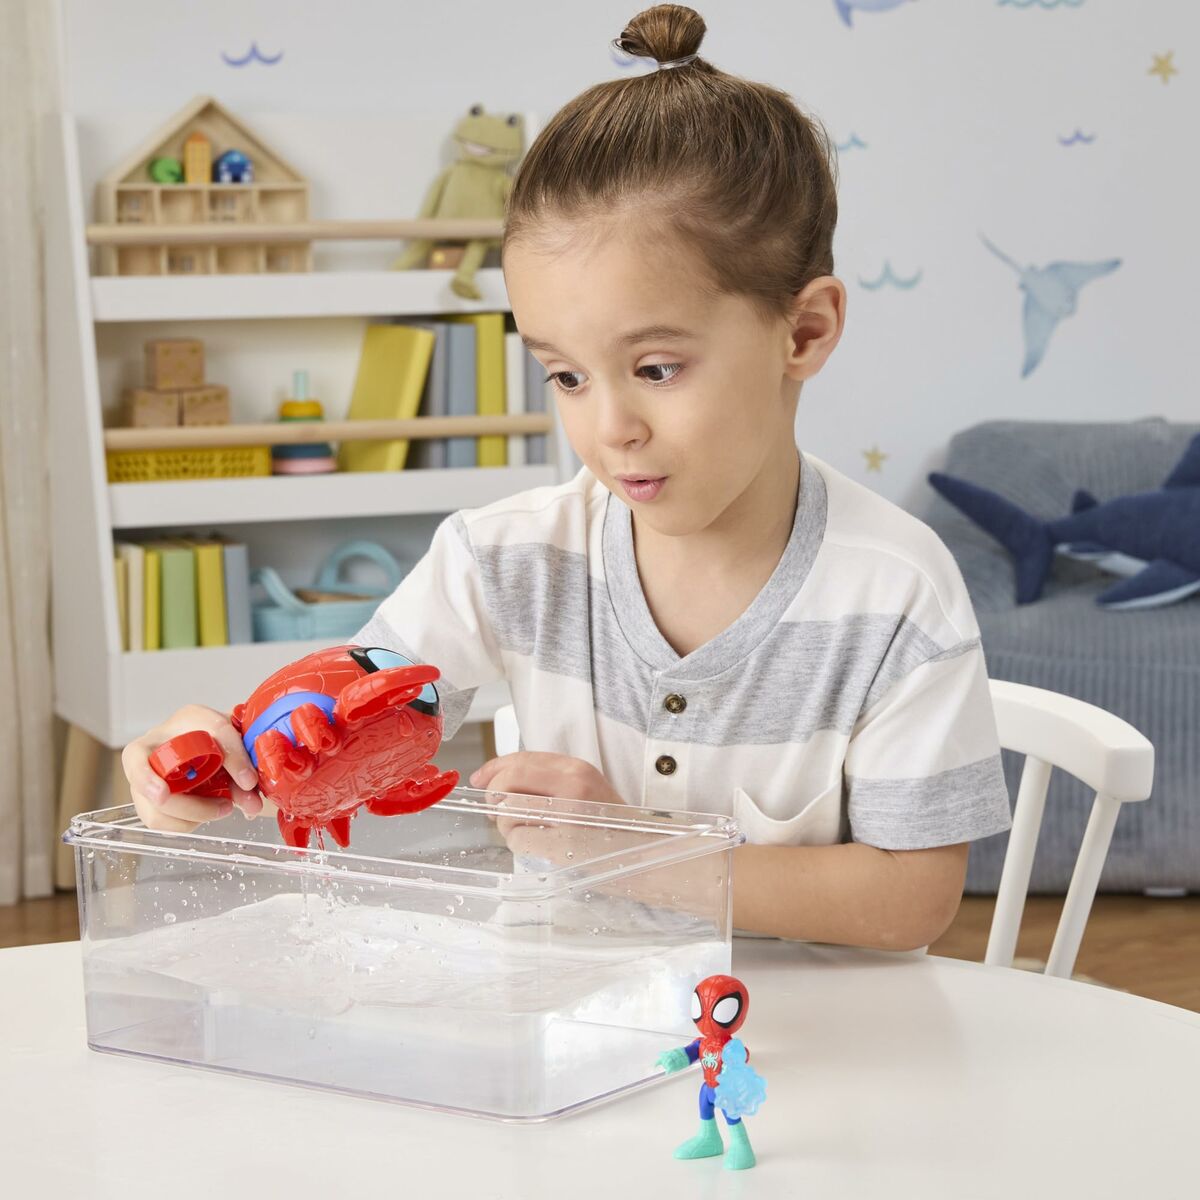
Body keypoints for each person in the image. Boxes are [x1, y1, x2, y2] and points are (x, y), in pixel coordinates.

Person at [120, 3, 1012, 951]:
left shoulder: (895, 592)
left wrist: (626, 848)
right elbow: (354, 710)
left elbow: (911, 899)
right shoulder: (506, 559)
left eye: (656, 369)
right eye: (567, 377)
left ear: (805, 331)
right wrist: (231, 747)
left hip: (813, 1031)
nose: (610, 428)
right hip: (567, 1019)